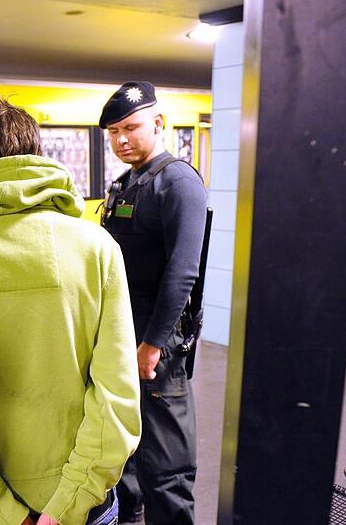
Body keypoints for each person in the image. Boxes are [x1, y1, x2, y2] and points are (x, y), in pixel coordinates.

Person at [0, 98, 143, 525]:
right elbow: (117, 394)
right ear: (36, 156)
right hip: (85, 503)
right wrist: (70, 502)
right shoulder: (98, 248)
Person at [99, 82, 208, 524]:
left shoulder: (177, 182)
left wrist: (153, 345)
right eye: (113, 132)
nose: (121, 139)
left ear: (158, 123)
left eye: (130, 128)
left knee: (166, 467)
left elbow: (182, 273)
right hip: (121, 335)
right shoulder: (125, 185)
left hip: (155, 343)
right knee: (125, 452)